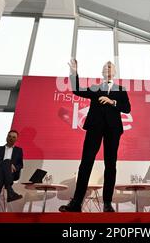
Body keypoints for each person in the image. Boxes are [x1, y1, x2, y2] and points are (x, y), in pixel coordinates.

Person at [59, 59, 131, 212]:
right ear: (102, 72)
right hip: (94, 128)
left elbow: (127, 108)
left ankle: (107, 203)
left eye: (110, 66)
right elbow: (77, 90)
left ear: (115, 72)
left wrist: (112, 102)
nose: (107, 68)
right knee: (86, 163)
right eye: (105, 66)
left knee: (110, 165)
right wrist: (74, 73)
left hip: (113, 130)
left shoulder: (121, 89)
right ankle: (76, 203)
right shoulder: (95, 88)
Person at [0, 130, 24, 212]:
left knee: (1, 173)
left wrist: (14, 167)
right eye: (9, 136)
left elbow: (20, 165)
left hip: (10, 173)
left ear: (16, 139)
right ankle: (10, 190)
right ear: (6, 137)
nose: (11, 139)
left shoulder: (19, 150)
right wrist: (6, 163)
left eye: (14, 137)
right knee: (6, 162)